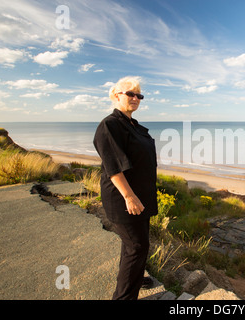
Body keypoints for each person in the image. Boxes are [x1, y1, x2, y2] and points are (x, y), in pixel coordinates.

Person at [93, 76, 158, 300]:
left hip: (141, 197)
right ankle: (124, 297)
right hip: (125, 199)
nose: (135, 98)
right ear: (115, 95)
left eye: (139, 95)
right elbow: (114, 168)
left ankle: (135, 278)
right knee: (137, 246)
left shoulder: (134, 126)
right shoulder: (109, 125)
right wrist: (129, 197)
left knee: (132, 246)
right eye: (129, 93)